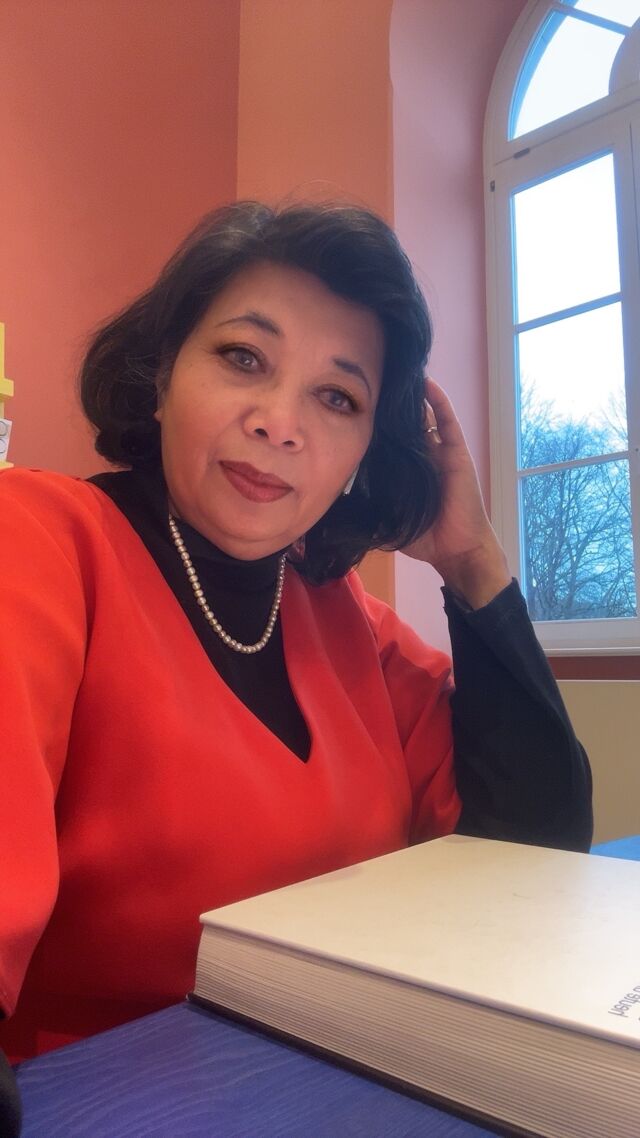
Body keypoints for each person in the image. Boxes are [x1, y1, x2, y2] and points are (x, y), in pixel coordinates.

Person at [0, 201, 592, 1073]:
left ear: (362, 456)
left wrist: (472, 562)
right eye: (244, 357)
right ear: (161, 376)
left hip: (350, 1083)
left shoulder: (341, 612)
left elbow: (532, 852)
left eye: (337, 396)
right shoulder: (38, 542)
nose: (281, 422)